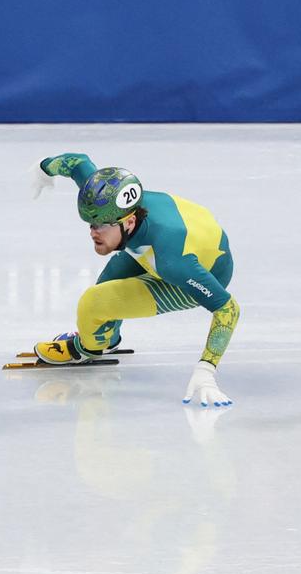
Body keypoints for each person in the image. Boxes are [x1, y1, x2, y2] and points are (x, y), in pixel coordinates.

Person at [31, 153, 240, 408]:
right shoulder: (105, 195)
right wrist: (44, 170)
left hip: (201, 270)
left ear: (129, 221)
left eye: (101, 224)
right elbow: (77, 163)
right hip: (181, 242)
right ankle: (108, 340)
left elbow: (228, 309)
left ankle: (87, 348)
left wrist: (206, 370)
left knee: (94, 303)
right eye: (89, 222)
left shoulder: (172, 262)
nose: (92, 232)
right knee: (106, 282)